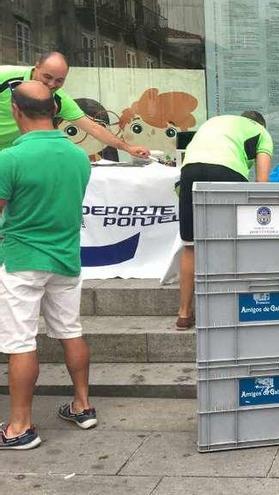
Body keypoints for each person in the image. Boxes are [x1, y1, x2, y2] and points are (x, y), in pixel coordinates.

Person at [0, 81, 95, 449]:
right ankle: (83, 406)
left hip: (23, 258)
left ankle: (19, 426)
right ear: (55, 111)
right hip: (66, 257)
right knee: (71, 330)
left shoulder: (10, 158)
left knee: (21, 341)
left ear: (16, 111)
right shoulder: (78, 157)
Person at [175, 111, 273, 330]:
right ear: (260, 124)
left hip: (190, 171)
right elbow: (262, 181)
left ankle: (183, 314)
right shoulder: (262, 132)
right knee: (231, 245)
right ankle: (228, 311)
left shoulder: (215, 122)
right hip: (228, 172)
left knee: (191, 246)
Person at [0, 52, 149, 158]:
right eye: (47, 77)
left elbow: (94, 128)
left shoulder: (59, 99)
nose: (51, 84)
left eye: (59, 80)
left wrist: (128, 148)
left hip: (10, 154)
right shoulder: (5, 76)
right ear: (36, 66)